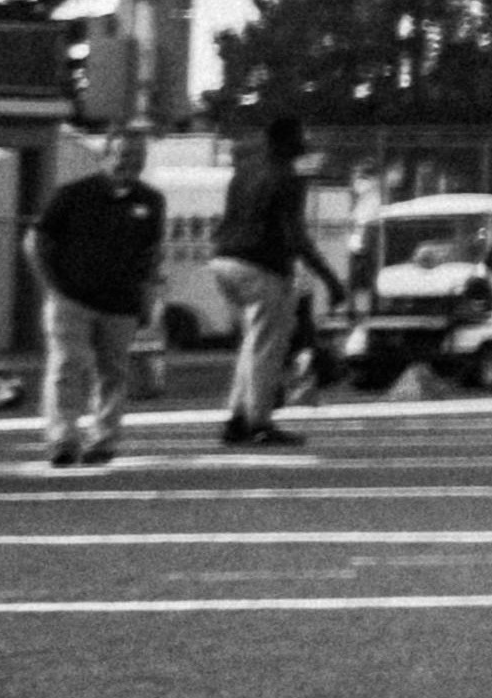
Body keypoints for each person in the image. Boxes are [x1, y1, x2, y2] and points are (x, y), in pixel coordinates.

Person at [205, 115, 352, 450]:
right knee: (268, 346)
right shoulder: (288, 175)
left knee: (253, 342)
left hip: (223, 260)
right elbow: (296, 236)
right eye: (300, 138)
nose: (304, 144)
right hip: (261, 264)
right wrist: (331, 280)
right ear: (287, 142)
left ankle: (238, 417)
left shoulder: (244, 170)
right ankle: (259, 422)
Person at [30, 130, 171, 473]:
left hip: (121, 302)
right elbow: (35, 241)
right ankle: (63, 440)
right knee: (67, 366)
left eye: (137, 156)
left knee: (113, 374)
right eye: (123, 154)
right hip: (71, 299)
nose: (130, 162)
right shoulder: (72, 194)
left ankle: (103, 441)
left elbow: (152, 256)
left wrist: (148, 299)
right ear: (105, 156)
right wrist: (52, 287)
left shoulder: (151, 201)